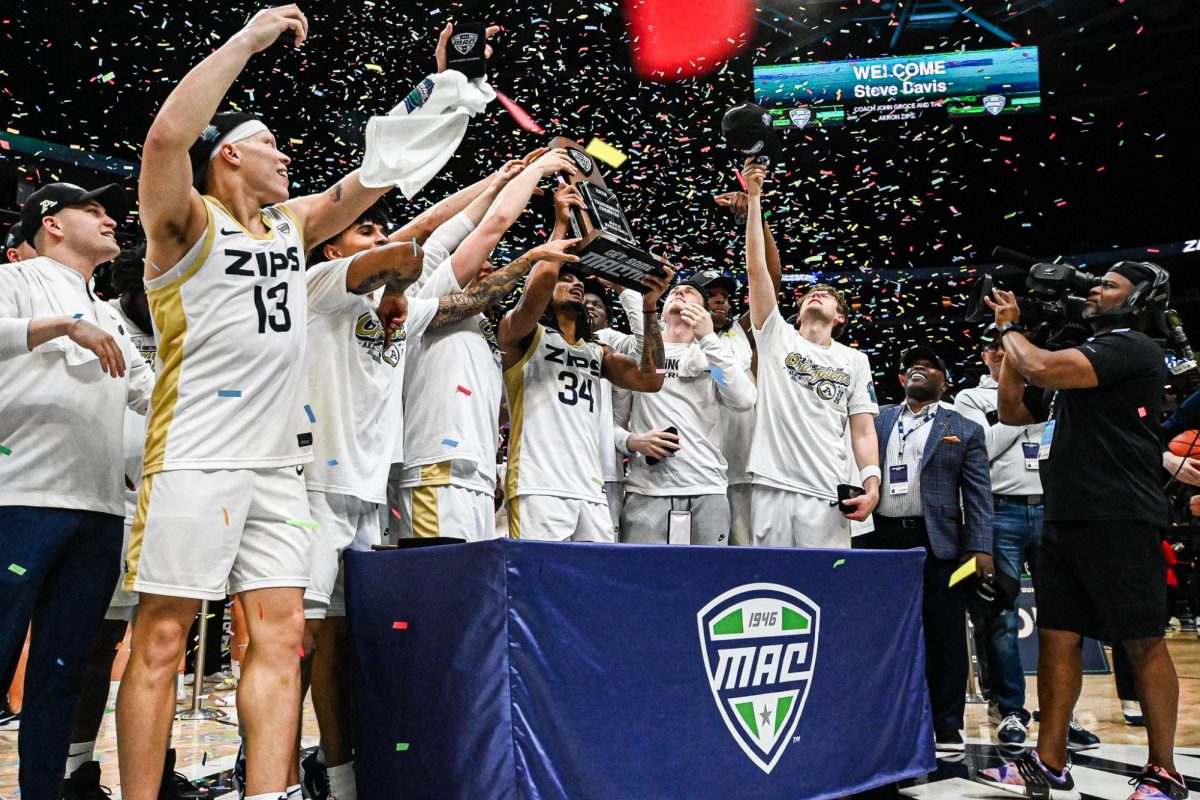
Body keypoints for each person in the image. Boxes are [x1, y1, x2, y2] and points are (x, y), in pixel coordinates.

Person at [114, 8, 411, 800]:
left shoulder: (291, 226)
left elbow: (374, 177)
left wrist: (445, 91)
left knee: (282, 640)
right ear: (231, 155)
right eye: (271, 143)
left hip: (280, 466)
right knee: (163, 640)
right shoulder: (183, 223)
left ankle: (269, 794)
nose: (286, 155)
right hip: (196, 456)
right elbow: (165, 141)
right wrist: (248, 41)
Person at [295, 197, 579, 800]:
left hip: (412, 489)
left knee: (382, 637)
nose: (482, 267)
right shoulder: (381, 298)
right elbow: (463, 237)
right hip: (400, 481)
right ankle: (298, 763)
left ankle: (361, 765)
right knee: (315, 638)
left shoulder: (457, 322)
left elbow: (504, 286)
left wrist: (547, 235)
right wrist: (519, 191)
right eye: (365, 229)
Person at [976, 262, 1187, 800]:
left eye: (1109, 284)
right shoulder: (1082, 357)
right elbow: (1014, 409)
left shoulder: (1133, 346)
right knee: (1057, 637)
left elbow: (1041, 367)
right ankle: (1050, 762)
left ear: (1139, 298)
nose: (1094, 288)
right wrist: (1012, 349)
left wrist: (1012, 331)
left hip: (1120, 515)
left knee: (1141, 642)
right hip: (1065, 517)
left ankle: (1163, 771)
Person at [0, 181, 153, 800]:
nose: (110, 219)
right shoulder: (17, 280)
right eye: (92, 210)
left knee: (61, 674)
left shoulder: (111, 311)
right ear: (50, 223)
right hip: (20, 499)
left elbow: (154, 399)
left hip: (98, 511)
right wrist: (61, 326)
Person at [391, 148, 581, 542]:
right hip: (436, 471)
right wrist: (540, 171)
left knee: (472, 597)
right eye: (483, 261)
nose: (490, 264)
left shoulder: (484, 332)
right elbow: (493, 224)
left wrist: (556, 225)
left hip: (476, 475)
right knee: (440, 594)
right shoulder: (435, 294)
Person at [954, 329, 1101, 750]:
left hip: (1055, 508)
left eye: (1009, 347)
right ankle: (1010, 711)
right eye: (995, 348)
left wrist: (1020, 409)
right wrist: (1019, 410)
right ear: (985, 355)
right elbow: (979, 450)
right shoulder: (969, 399)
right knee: (1001, 616)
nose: (1002, 353)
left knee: (1065, 618)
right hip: (1001, 510)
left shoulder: (1054, 388)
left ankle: (1062, 716)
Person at [499, 185, 671, 541]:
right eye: (565, 278)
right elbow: (532, 298)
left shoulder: (597, 351)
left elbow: (653, 379)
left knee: (591, 586)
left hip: (590, 486)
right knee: (537, 584)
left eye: (578, 279)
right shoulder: (521, 335)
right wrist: (560, 227)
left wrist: (650, 304)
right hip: (538, 483)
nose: (575, 283)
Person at [858, 345, 993, 751]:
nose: (919, 369)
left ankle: (947, 723)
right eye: (911, 366)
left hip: (940, 544)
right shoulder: (874, 420)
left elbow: (978, 494)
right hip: (881, 538)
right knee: (882, 635)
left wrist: (981, 547)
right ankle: (887, 718)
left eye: (931, 366)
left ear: (944, 381)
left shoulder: (964, 426)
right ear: (901, 381)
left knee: (946, 635)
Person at [741, 161, 880, 547]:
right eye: (808, 295)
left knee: (824, 592)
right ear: (797, 311)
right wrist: (755, 199)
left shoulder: (854, 360)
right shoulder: (775, 336)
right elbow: (757, 271)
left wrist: (872, 483)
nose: (817, 293)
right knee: (771, 588)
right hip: (773, 483)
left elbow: (864, 428)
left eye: (829, 296)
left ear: (840, 317)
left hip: (829, 489)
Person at [619, 277, 755, 544]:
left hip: (707, 488)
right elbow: (614, 421)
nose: (680, 292)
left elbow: (743, 400)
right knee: (641, 583)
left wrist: (707, 338)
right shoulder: (640, 354)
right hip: (646, 491)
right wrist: (632, 441)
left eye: (690, 292)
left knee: (709, 584)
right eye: (674, 292)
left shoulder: (714, 355)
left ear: (703, 312)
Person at [712, 187, 784, 546]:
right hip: (693, 475)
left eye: (724, 296)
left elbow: (770, 278)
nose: (721, 300)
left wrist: (756, 216)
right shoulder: (672, 341)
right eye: (709, 295)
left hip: (746, 472)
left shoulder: (740, 334)